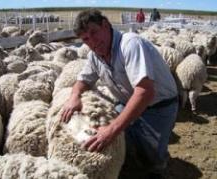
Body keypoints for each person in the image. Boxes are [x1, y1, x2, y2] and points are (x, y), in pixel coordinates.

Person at [60, 9, 178, 178]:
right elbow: (83, 80)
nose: (92, 41)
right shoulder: (95, 56)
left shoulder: (130, 45)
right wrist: (74, 96)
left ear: (106, 25)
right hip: (129, 101)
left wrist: (111, 130)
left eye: (94, 32)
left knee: (151, 156)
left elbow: (145, 92)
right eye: (86, 39)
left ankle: (158, 169)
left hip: (158, 106)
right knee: (117, 139)